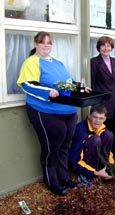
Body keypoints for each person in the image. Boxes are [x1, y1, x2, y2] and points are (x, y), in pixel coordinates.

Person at [16, 31, 90, 196]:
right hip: (45, 111)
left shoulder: (58, 63)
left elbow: (66, 84)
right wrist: (47, 91)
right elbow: (26, 84)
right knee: (51, 147)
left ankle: (63, 177)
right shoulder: (31, 62)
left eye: (49, 43)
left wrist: (80, 88)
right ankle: (52, 181)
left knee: (65, 146)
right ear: (36, 44)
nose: (46, 45)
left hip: (68, 111)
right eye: (42, 42)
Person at [91, 36, 115, 155]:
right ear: (99, 47)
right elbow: (93, 84)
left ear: (112, 47)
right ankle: (102, 158)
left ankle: (112, 157)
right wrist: (96, 105)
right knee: (103, 132)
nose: (106, 48)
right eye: (103, 45)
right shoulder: (94, 62)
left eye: (108, 45)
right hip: (102, 104)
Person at [68, 104, 114, 185]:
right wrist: (94, 173)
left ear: (105, 119)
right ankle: (86, 175)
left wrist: (110, 166)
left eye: (101, 118)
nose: (97, 121)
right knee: (95, 139)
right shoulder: (81, 131)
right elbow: (74, 160)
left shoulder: (102, 127)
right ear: (89, 116)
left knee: (109, 135)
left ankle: (103, 170)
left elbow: (108, 152)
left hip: (97, 163)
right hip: (80, 165)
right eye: (95, 117)